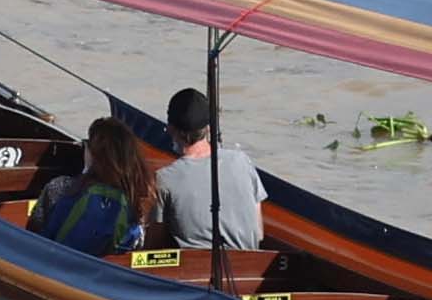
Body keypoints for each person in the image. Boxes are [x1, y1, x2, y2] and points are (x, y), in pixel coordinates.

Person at [154, 88, 265, 250]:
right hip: (249, 265)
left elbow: (154, 247)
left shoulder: (164, 178)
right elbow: (259, 233)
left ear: (171, 129)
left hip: (194, 269)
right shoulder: (242, 161)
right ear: (209, 128)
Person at [31, 117, 155, 256]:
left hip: (58, 265)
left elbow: (35, 231)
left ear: (92, 153)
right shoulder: (141, 197)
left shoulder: (60, 187)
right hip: (105, 273)